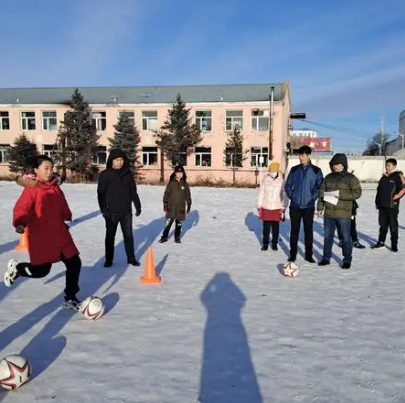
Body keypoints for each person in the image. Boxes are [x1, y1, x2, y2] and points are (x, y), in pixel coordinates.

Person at [4, 155, 82, 309]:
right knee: (41, 271)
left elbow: (62, 204)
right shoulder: (32, 189)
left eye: (51, 168)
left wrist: (67, 215)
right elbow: (22, 207)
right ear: (35, 170)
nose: (49, 171)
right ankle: (18, 269)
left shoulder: (55, 187)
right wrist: (20, 222)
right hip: (42, 237)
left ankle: (70, 297)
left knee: (74, 263)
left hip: (60, 233)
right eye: (45, 168)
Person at [97, 148, 142, 267]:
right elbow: (100, 195)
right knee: (110, 237)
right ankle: (109, 260)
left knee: (128, 235)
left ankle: (131, 258)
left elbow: (133, 191)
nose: (119, 162)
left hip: (126, 211)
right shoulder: (105, 175)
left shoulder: (128, 174)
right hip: (112, 212)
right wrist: (104, 211)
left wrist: (138, 205)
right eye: (117, 160)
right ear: (111, 160)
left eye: (121, 160)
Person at [317, 153, 362, 269]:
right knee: (328, 237)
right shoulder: (328, 177)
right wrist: (320, 207)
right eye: (333, 164)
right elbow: (322, 193)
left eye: (337, 164)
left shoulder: (351, 178)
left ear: (343, 165)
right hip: (329, 214)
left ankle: (347, 260)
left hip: (343, 214)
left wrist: (340, 195)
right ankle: (326, 258)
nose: (335, 166)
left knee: (346, 238)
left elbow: (357, 193)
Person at [284, 145, 323, 263]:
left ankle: (308, 254)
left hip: (308, 206)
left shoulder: (316, 171)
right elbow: (288, 185)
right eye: (300, 155)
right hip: (295, 206)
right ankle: (293, 254)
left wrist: (312, 198)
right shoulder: (294, 170)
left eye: (304, 155)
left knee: (308, 231)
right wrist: (292, 196)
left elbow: (319, 187)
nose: (301, 158)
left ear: (308, 156)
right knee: (294, 230)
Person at [372, 158, 405, 252]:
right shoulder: (383, 177)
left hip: (392, 206)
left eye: (389, 165)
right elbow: (379, 191)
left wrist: (396, 197)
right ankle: (381, 242)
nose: (387, 167)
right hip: (382, 205)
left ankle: (394, 244)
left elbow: (403, 188)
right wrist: (377, 202)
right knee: (382, 225)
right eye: (386, 165)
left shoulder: (398, 176)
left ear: (394, 166)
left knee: (393, 226)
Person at [257, 161, 288, 251]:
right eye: (271, 170)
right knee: (266, 227)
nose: (272, 171)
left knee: (275, 228)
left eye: (274, 170)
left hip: (277, 207)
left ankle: (274, 243)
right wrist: (259, 205)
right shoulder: (265, 180)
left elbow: (285, 195)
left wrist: (283, 207)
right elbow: (261, 193)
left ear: (277, 171)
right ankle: (265, 243)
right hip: (266, 207)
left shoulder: (282, 181)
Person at [158, 165, 192, 244]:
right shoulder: (171, 183)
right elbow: (166, 193)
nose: (179, 174)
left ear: (183, 173)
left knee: (179, 224)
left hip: (181, 208)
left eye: (181, 172)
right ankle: (164, 237)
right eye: (178, 172)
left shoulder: (185, 184)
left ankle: (177, 237)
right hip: (171, 207)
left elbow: (188, 195)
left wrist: (189, 204)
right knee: (168, 223)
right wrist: (165, 202)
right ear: (175, 173)